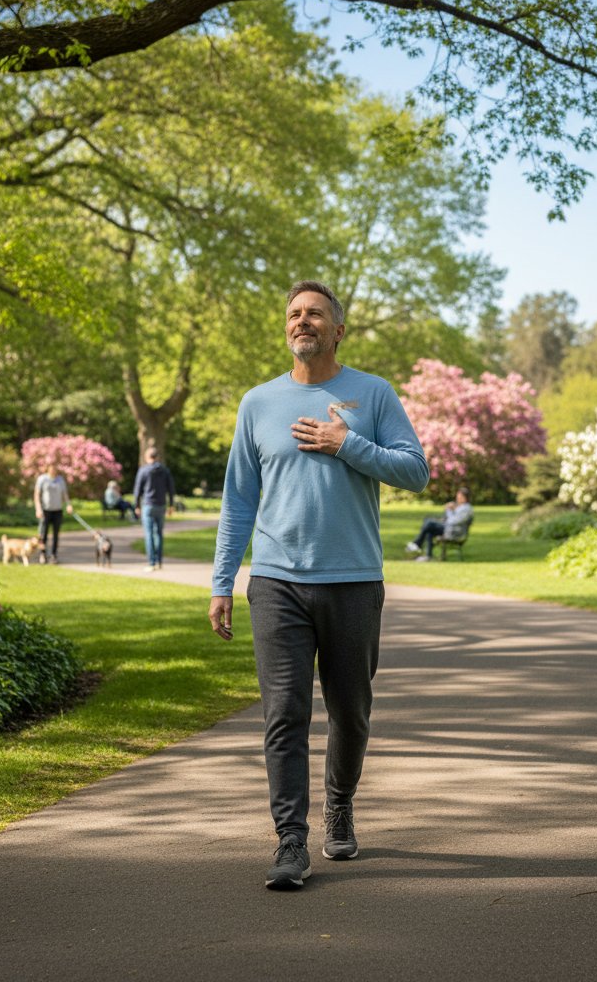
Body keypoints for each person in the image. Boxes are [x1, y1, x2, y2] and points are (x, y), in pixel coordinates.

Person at [208, 279, 429, 891]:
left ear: (338, 330)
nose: (302, 322)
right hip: (277, 581)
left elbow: (416, 471)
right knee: (284, 712)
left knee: (351, 715)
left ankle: (340, 803)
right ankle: (290, 841)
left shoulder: (372, 394)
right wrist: (222, 581)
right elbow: (238, 501)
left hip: (354, 581)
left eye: (315, 315)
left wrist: (347, 443)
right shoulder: (258, 403)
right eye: (293, 314)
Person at [133, 446, 175, 571]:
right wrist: (171, 505)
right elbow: (171, 489)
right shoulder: (165, 471)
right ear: (157, 457)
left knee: (149, 534)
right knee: (159, 534)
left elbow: (137, 490)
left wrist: (136, 505)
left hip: (148, 505)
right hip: (161, 505)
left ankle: (151, 563)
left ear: (147, 457)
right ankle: (159, 562)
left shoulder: (143, 470)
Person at [405, 488, 474, 561]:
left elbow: (452, 522)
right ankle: (427, 555)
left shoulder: (466, 509)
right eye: (457, 497)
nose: (458, 499)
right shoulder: (461, 507)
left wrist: (449, 510)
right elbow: (450, 520)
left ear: (465, 498)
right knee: (429, 525)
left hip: (454, 532)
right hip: (450, 529)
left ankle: (417, 544)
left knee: (429, 523)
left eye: (460, 497)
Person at [34, 462, 72, 565]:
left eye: (55, 468)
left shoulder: (60, 480)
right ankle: (43, 554)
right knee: (43, 533)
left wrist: (68, 504)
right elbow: (37, 495)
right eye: (51, 468)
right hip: (45, 510)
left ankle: (54, 555)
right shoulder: (42, 479)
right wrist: (38, 509)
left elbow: (65, 494)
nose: (53, 470)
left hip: (57, 510)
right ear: (48, 468)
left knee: (56, 534)